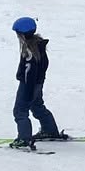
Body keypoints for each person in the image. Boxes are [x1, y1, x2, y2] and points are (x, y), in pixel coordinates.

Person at [11, 17, 68, 149]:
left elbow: (29, 74)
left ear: (23, 34)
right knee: (37, 106)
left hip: (28, 86)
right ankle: (50, 130)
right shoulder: (38, 46)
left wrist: (28, 92)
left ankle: (24, 139)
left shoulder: (30, 52)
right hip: (38, 84)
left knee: (20, 111)